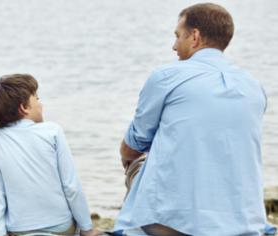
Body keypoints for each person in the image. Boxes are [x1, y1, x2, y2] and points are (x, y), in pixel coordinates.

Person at [115, 3, 268, 236]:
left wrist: (128, 157)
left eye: (177, 36)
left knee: (136, 163)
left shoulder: (167, 76)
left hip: (174, 222)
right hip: (245, 222)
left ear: (194, 36)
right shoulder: (254, 86)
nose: (174, 45)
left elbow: (135, 144)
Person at [0, 74, 100, 236]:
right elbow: (71, 186)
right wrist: (87, 229)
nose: (41, 105)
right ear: (24, 108)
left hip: (20, 231)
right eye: (37, 99)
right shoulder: (53, 131)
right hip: (62, 229)